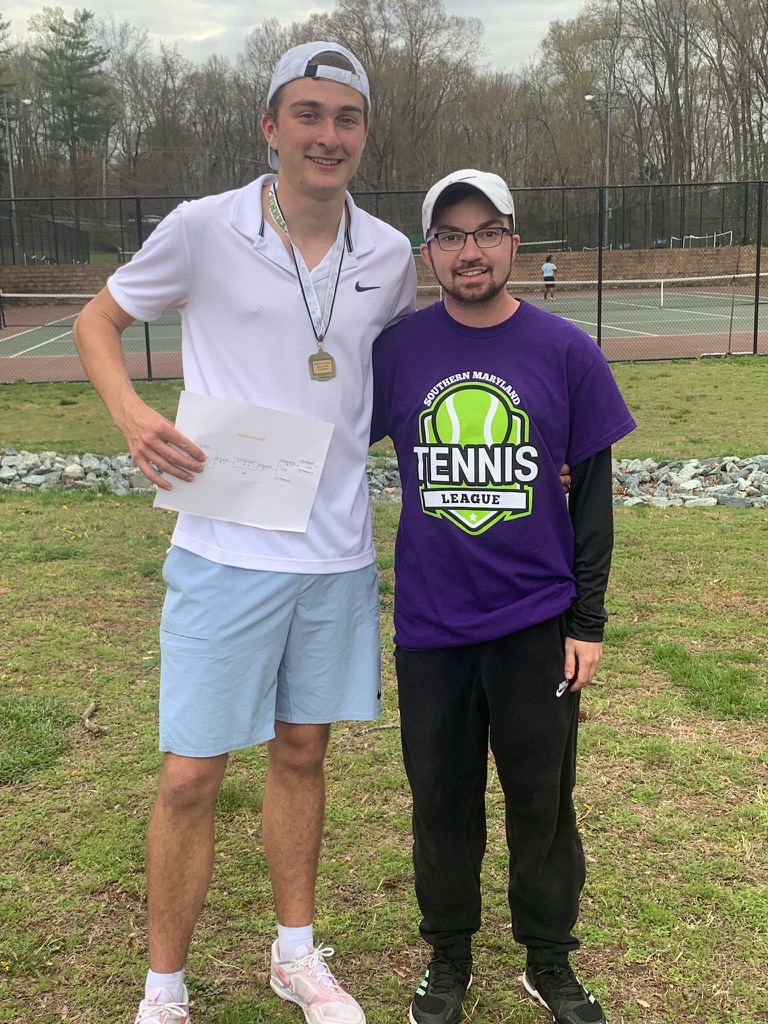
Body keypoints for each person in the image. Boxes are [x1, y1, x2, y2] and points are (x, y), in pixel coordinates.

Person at [73, 41, 416, 1024]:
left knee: (303, 750)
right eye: (307, 114)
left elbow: (389, 388)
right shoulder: (203, 228)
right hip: (223, 548)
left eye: (346, 118)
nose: (328, 135)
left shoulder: (389, 255)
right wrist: (133, 416)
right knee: (189, 773)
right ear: (271, 127)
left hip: (335, 554)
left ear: (362, 135)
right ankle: (164, 990)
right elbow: (99, 322)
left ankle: (295, 956)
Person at [370, 169, 636, 1024]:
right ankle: (447, 956)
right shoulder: (400, 351)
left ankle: (548, 960)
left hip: (536, 625)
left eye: (487, 231)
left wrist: (587, 623)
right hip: (433, 626)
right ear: (429, 253)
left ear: (516, 241)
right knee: (441, 799)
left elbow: (591, 499)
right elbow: (325, 433)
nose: (470, 250)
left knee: (542, 804)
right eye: (451, 236)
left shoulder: (565, 351)